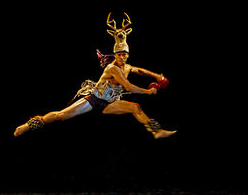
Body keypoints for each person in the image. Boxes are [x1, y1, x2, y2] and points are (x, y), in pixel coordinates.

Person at [13, 13, 176, 139]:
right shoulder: (112, 69)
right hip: (94, 99)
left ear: (127, 55)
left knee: (135, 108)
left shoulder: (127, 66)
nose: (122, 57)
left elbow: (140, 71)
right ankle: (29, 124)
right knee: (61, 115)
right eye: (119, 54)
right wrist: (148, 92)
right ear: (115, 55)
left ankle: (157, 131)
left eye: (124, 55)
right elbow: (128, 86)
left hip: (109, 103)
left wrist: (158, 77)